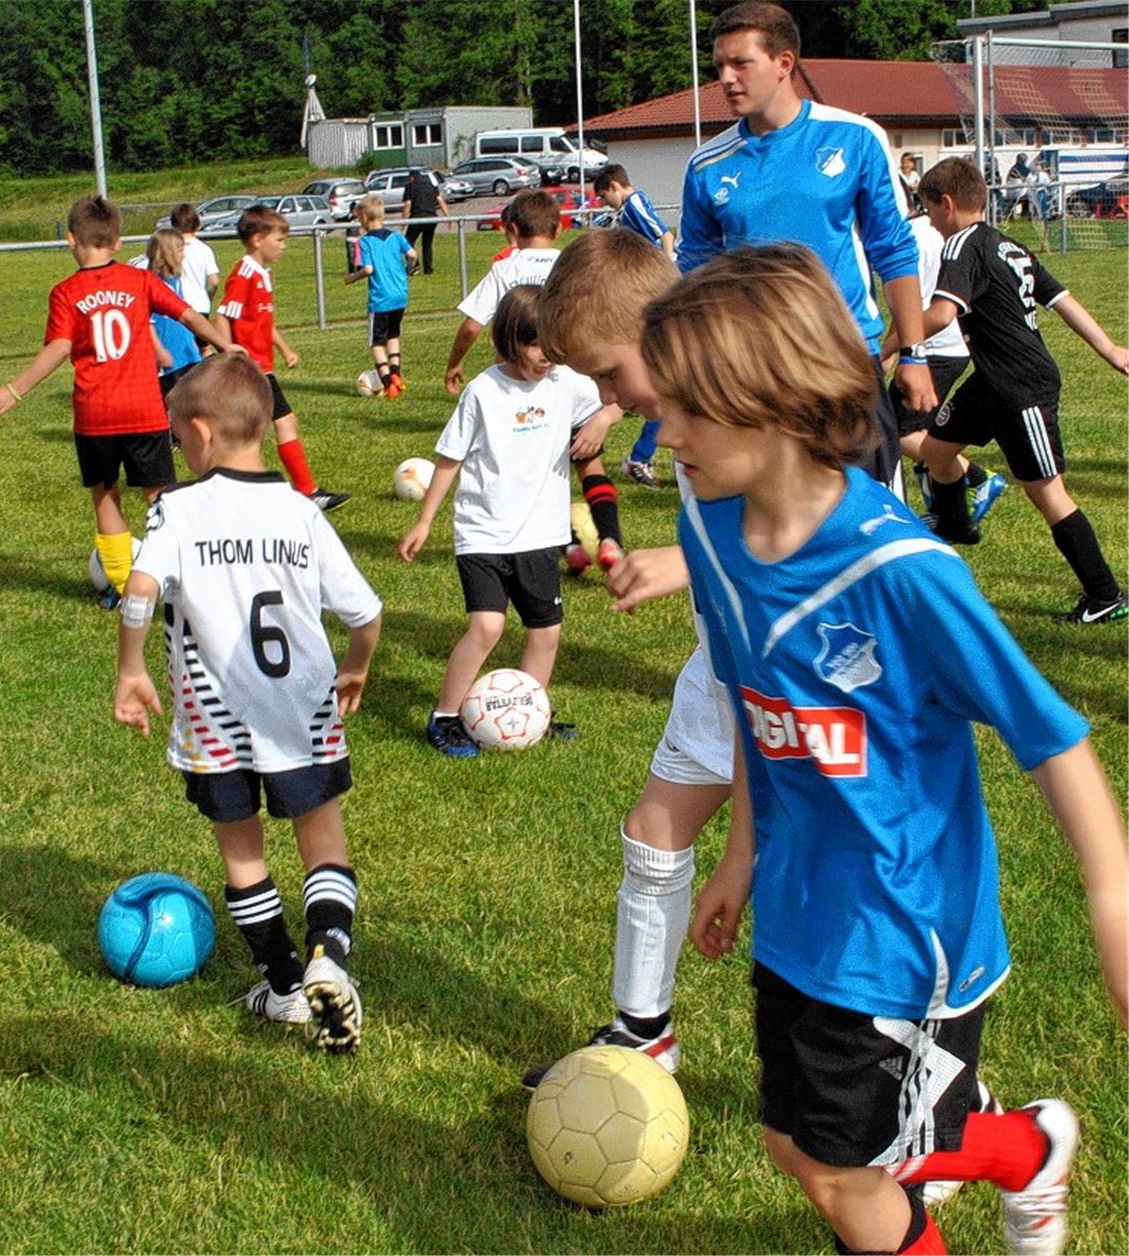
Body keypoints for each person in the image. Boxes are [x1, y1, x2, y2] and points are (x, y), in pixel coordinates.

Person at [644, 243, 1127, 1256]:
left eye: (688, 406)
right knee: (796, 1142)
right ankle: (1025, 1149)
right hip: (799, 907)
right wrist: (739, 852)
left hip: (904, 933)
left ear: (776, 402)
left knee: (843, 1169)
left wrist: (1113, 909)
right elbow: (749, 693)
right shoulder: (712, 533)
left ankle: (1013, 1155)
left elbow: (1056, 740)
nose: (665, 431)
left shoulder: (903, 571)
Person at [113, 353, 383, 1053]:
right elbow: (365, 611)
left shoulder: (177, 509)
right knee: (322, 840)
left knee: (242, 854)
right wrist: (356, 665)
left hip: (215, 721)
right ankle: (329, 955)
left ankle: (286, 985)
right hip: (303, 707)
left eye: (176, 436)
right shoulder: (299, 510)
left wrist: (130, 668)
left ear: (199, 433)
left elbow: (140, 593)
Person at [520, 226, 733, 1086]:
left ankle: (940, 1075)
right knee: (653, 833)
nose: (608, 393)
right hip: (724, 666)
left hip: (810, 680)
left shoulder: (741, 399)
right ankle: (642, 1032)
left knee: (839, 896)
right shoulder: (677, 400)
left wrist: (690, 562)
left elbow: (814, 533)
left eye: (610, 373)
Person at [677, 1, 939, 497]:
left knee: (868, 514)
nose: (727, 79)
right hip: (756, 368)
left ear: (784, 63)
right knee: (775, 518)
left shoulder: (856, 138)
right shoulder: (707, 165)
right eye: (719, 67)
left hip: (844, 360)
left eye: (741, 64)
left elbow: (894, 251)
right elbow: (695, 278)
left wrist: (914, 354)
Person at [900, 157, 1128, 623]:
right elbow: (1063, 301)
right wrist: (1111, 348)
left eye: (927, 209)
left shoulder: (962, 245)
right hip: (991, 382)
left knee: (1049, 495)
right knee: (937, 452)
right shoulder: (1009, 246)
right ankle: (955, 526)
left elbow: (942, 314)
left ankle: (1105, 596)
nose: (928, 220)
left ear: (946, 204)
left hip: (1021, 386)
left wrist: (897, 341)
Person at [0, 194, 237, 606]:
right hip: (143, 409)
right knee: (160, 495)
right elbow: (190, 315)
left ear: (71, 239)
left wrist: (13, 390)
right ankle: (178, 580)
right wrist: (226, 346)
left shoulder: (66, 291)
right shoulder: (140, 281)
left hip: (94, 414)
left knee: (106, 495)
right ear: (118, 242)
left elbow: (59, 346)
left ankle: (124, 589)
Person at [398, 286, 604, 757]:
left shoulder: (567, 384)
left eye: (552, 345)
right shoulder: (484, 391)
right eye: (534, 346)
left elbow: (616, 397)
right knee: (487, 627)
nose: (545, 357)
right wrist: (425, 521)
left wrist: (603, 420)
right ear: (508, 341)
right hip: (483, 533)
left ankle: (532, 711)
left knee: (545, 631)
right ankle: (446, 718)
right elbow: (449, 458)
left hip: (540, 534)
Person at [444, 188, 626, 572]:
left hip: (526, 385)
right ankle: (609, 540)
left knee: (538, 470)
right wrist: (603, 411)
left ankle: (572, 545)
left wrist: (454, 363)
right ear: (559, 229)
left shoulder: (506, 268)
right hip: (577, 381)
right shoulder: (571, 266)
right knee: (589, 466)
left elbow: (473, 325)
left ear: (511, 228)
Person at [215, 204, 349, 512]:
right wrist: (226, 352)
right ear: (257, 239)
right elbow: (224, 316)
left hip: (263, 367)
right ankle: (304, 490)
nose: (283, 246)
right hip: (250, 369)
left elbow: (265, 321)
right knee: (278, 424)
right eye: (279, 239)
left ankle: (246, 490)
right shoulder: (245, 273)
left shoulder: (263, 273)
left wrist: (285, 349)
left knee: (256, 432)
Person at [889, 212, 1008, 528]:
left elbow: (908, 301)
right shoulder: (940, 232)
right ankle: (943, 511)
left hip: (932, 346)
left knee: (897, 431)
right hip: (954, 343)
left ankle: (978, 478)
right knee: (917, 429)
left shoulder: (909, 237)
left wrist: (891, 351)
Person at [591, 162, 676, 490]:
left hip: (655, 298)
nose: (603, 204)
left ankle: (642, 457)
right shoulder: (625, 210)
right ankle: (641, 458)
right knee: (665, 385)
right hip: (643, 300)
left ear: (614, 186)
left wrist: (667, 278)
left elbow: (664, 235)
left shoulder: (635, 203)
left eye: (602, 197)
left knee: (666, 384)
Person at [344, 195, 417, 399]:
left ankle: (387, 383)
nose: (360, 224)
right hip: (400, 295)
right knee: (393, 335)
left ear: (365, 218)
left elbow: (368, 269)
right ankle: (396, 374)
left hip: (380, 299)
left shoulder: (365, 241)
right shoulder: (396, 236)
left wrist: (352, 277)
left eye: (359, 220)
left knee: (376, 342)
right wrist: (407, 271)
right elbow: (413, 255)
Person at [144, 228, 203, 398]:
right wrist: (159, 351)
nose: (184, 255)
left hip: (187, 354)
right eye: (180, 250)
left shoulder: (174, 280)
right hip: (171, 361)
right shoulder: (151, 284)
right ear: (167, 254)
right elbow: (146, 322)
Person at [169, 202, 221, 325]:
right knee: (201, 343)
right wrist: (209, 296)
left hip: (178, 307)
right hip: (201, 305)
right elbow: (214, 281)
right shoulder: (204, 249)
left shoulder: (170, 249)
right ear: (197, 225)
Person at [402, 169, 450, 275]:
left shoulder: (410, 186)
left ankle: (414, 266)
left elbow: (408, 204)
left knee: (407, 242)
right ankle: (428, 269)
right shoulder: (431, 185)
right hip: (432, 218)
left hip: (417, 218)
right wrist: (448, 218)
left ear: (411, 178)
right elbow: (440, 200)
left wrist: (403, 222)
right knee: (427, 244)